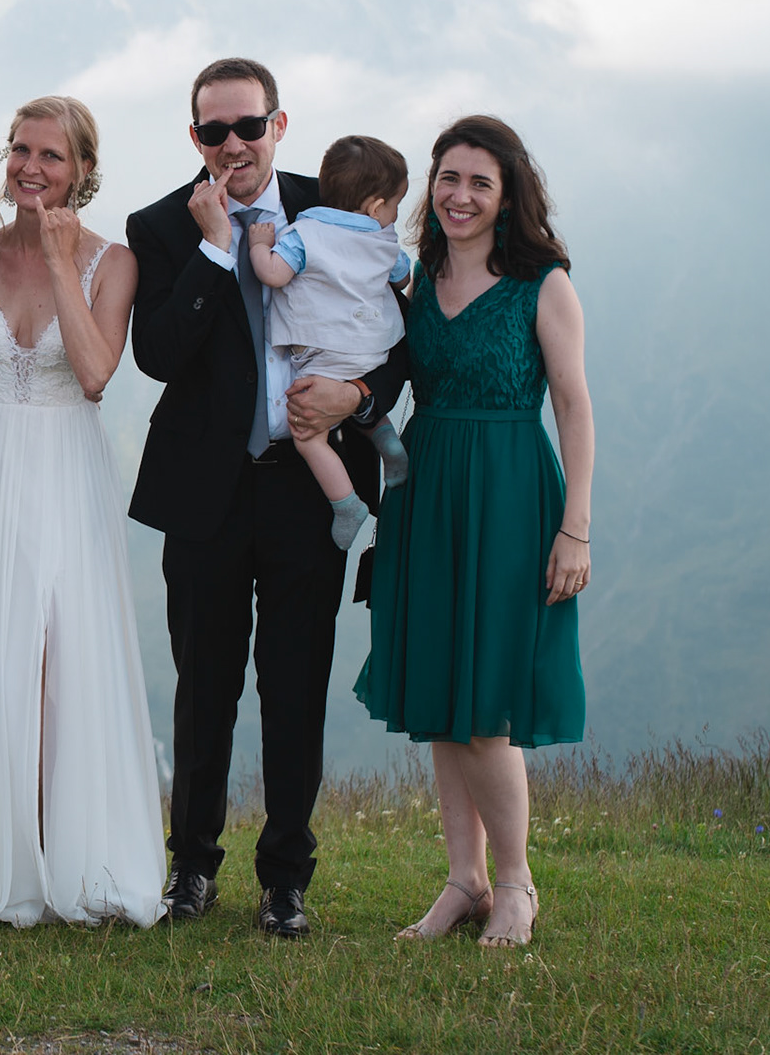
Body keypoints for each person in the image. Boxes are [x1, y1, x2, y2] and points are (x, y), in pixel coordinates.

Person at [126, 58, 408, 938]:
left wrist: (358, 396)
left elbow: (398, 337)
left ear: (278, 125)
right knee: (203, 688)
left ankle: (286, 877)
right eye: (214, 131)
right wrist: (216, 249)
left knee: (296, 685)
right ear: (195, 137)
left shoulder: (335, 206)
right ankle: (191, 867)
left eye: (249, 126)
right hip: (204, 493)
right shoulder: (160, 224)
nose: (234, 144)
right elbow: (158, 353)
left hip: (309, 490)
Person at [0, 96, 166, 927]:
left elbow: (94, 374)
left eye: (51, 155)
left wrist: (57, 258)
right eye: (20, 150)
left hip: (64, 470)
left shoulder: (113, 261)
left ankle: (63, 851)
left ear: (82, 169)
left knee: (58, 654)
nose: (31, 168)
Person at [354, 115, 592, 949]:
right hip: (424, 491)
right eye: (448, 178)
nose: (459, 195)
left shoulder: (542, 283)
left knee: (486, 698)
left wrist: (576, 528)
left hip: (510, 494)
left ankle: (517, 883)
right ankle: (465, 879)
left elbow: (573, 403)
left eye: (479, 182)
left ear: (507, 195)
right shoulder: (418, 277)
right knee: (441, 691)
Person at [246, 134, 416, 550]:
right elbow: (402, 278)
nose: (394, 215)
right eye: (394, 205)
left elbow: (273, 274)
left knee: (308, 435)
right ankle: (386, 441)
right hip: (373, 347)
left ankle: (346, 504)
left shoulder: (304, 234)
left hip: (324, 351)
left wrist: (259, 246)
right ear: (375, 207)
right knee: (351, 393)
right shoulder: (384, 239)